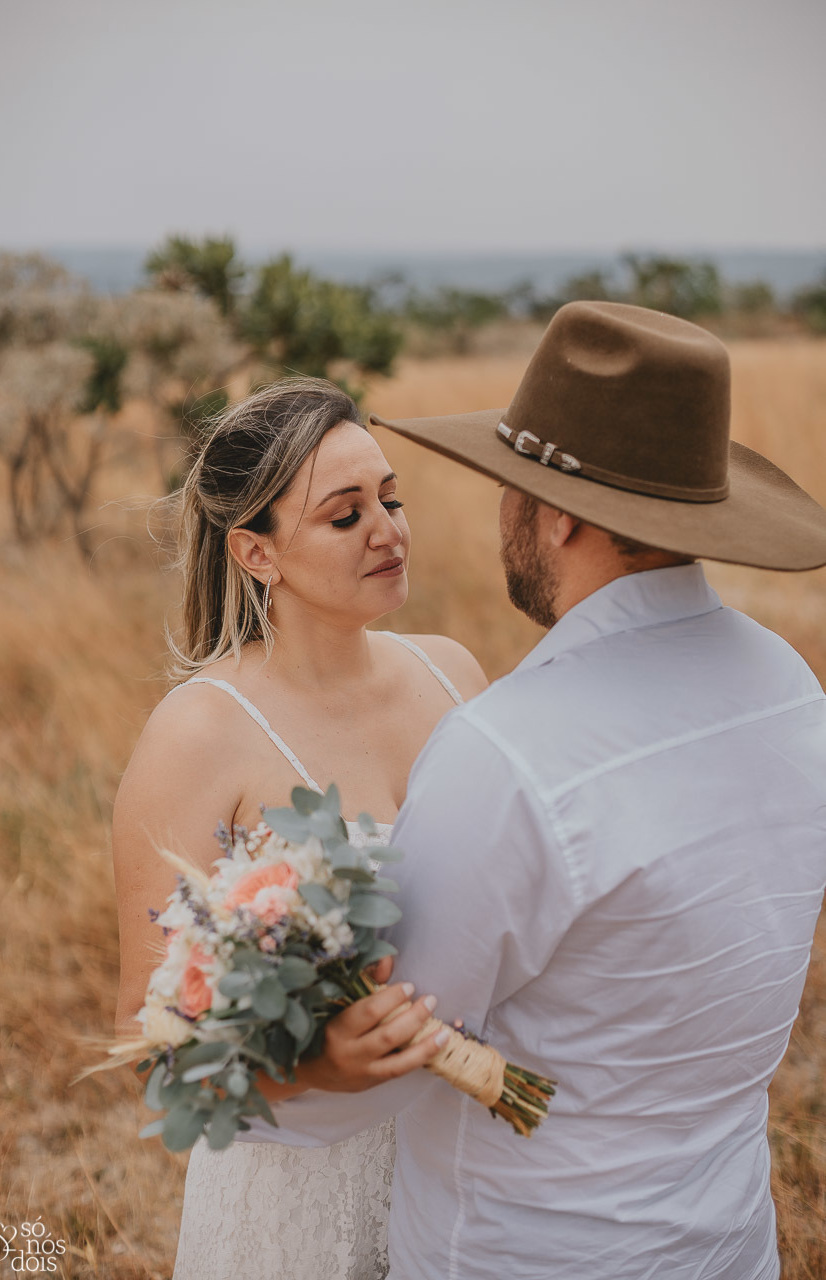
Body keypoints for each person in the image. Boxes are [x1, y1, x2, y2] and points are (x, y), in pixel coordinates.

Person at [242, 302, 826, 1280]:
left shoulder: (510, 753)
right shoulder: (791, 689)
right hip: (728, 1241)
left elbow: (393, 1054)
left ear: (557, 513)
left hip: (529, 1252)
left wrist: (250, 1071)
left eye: (510, 482)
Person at [111, 376, 488, 1280]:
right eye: (345, 515)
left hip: (467, 1158)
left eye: (391, 499)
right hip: (303, 1196)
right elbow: (143, 1040)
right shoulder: (197, 735)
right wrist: (316, 1066)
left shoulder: (454, 674)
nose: (387, 531)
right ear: (256, 552)